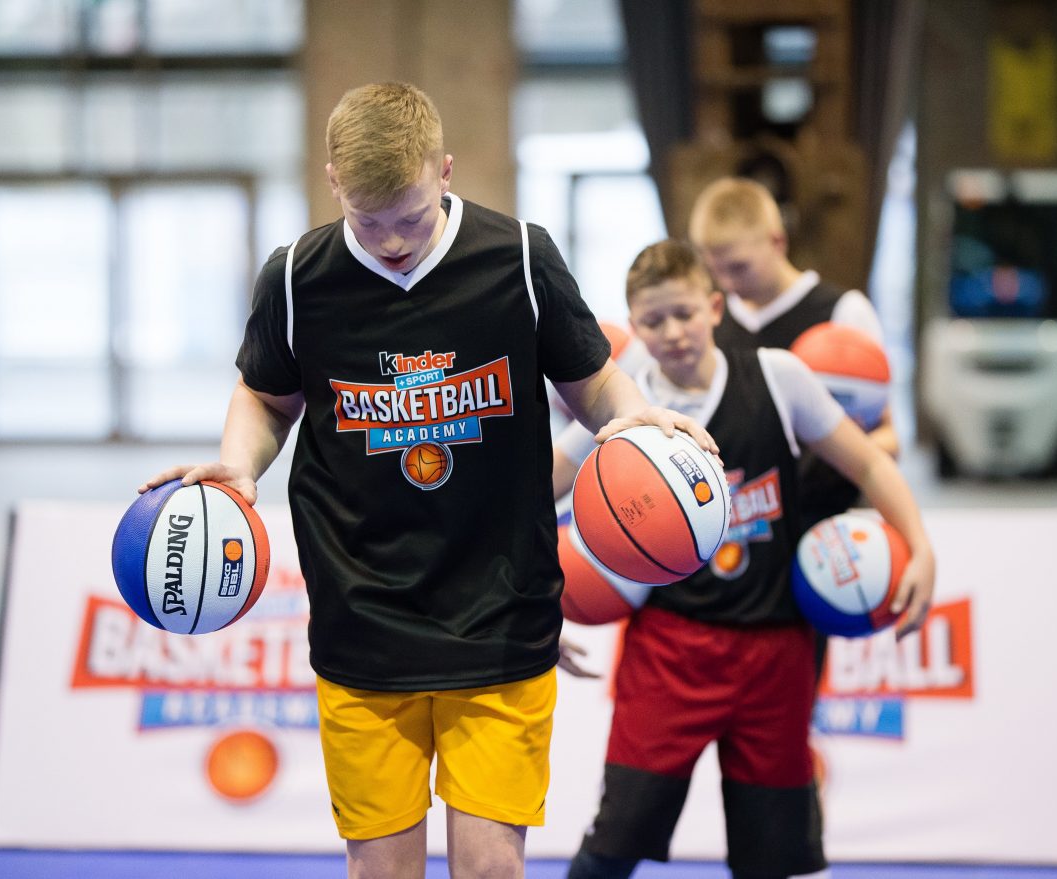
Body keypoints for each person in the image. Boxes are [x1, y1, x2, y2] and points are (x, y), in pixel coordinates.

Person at [139, 82, 717, 879]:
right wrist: (240, 461)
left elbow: (595, 385)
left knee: (489, 869)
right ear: (335, 182)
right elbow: (268, 397)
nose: (392, 241)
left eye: (410, 218)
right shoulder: (299, 277)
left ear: (444, 172)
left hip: (501, 613)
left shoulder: (519, 256)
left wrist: (638, 418)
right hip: (361, 618)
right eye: (370, 222)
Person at [554, 239, 935, 879]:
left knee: (776, 861)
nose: (671, 332)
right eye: (652, 320)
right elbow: (536, 491)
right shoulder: (623, 412)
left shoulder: (779, 375)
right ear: (632, 322)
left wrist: (919, 545)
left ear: (714, 307)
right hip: (671, 652)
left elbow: (868, 460)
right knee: (613, 845)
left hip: (776, 653)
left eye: (683, 313)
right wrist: (535, 599)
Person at [688, 176, 899, 530]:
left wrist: (833, 448)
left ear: (778, 241)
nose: (726, 283)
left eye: (738, 267)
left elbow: (891, 437)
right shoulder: (711, 323)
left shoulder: (844, 313)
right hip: (743, 531)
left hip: (828, 522)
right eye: (715, 270)